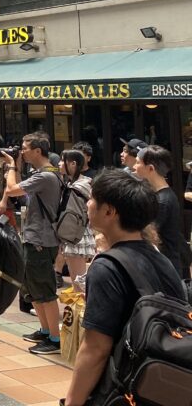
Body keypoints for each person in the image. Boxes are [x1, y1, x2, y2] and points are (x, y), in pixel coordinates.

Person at [63, 170, 185, 406]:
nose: (88, 204)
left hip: (124, 388)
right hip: (160, 383)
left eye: (92, 199)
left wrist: (72, 402)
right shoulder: (161, 259)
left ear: (109, 211)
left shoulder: (106, 267)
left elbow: (96, 348)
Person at [3, 133, 62, 355]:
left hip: (41, 241)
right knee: (33, 288)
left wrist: (12, 166)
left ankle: (55, 339)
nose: (22, 151)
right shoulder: (42, 174)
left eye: (25, 148)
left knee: (45, 290)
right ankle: (46, 331)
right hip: (34, 237)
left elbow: (12, 190)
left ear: (38, 151)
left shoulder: (46, 176)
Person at [133, 145, 191, 279]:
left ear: (150, 168)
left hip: (165, 268)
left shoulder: (162, 201)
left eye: (137, 162)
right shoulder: (161, 196)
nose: (134, 167)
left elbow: (148, 235)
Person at [58, 149, 96, 283]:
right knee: (76, 277)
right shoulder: (72, 183)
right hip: (72, 231)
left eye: (63, 160)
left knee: (79, 280)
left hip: (78, 232)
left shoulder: (82, 185)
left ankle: (81, 297)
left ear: (73, 164)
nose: (59, 164)